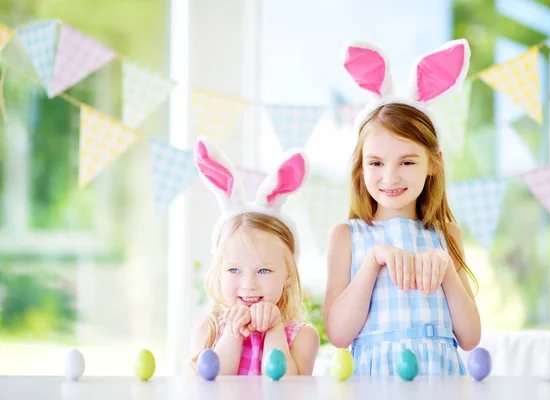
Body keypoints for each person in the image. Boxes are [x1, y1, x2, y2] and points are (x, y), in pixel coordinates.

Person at [323, 39, 481, 376]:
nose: (390, 176)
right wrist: (372, 263)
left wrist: (446, 269)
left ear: (433, 163)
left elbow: (470, 337)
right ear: (361, 166)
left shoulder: (446, 235)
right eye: (376, 163)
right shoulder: (346, 236)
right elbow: (338, 334)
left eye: (407, 162)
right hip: (375, 384)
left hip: (443, 382)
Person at [189, 137, 320, 376]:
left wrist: (274, 329)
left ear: (288, 274)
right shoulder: (207, 331)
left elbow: (288, 389)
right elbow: (215, 387)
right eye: (234, 270)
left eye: (263, 271)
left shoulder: (302, 337)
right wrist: (232, 333)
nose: (248, 285)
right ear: (219, 273)